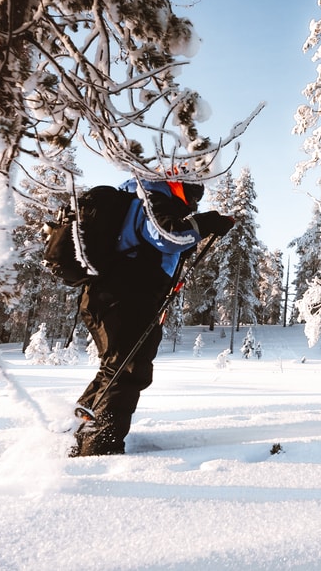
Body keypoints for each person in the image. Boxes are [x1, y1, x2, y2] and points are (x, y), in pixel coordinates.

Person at [70, 177, 233, 457]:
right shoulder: (153, 196)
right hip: (123, 295)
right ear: (181, 182)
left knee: (117, 368)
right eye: (196, 188)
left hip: (115, 295)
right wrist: (206, 223)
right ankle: (99, 449)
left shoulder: (143, 198)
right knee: (128, 369)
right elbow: (169, 237)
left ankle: (75, 433)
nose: (198, 196)